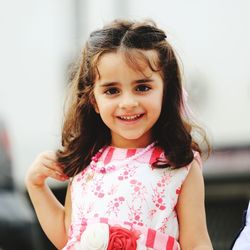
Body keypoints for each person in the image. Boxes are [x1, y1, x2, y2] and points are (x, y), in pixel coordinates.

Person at [25, 19, 213, 250]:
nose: (128, 103)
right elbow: (69, 236)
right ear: (93, 100)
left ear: (166, 91)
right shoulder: (87, 161)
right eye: (112, 90)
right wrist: (36, 186)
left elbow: (196, 244)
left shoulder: (178, 164)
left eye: (142, 87)